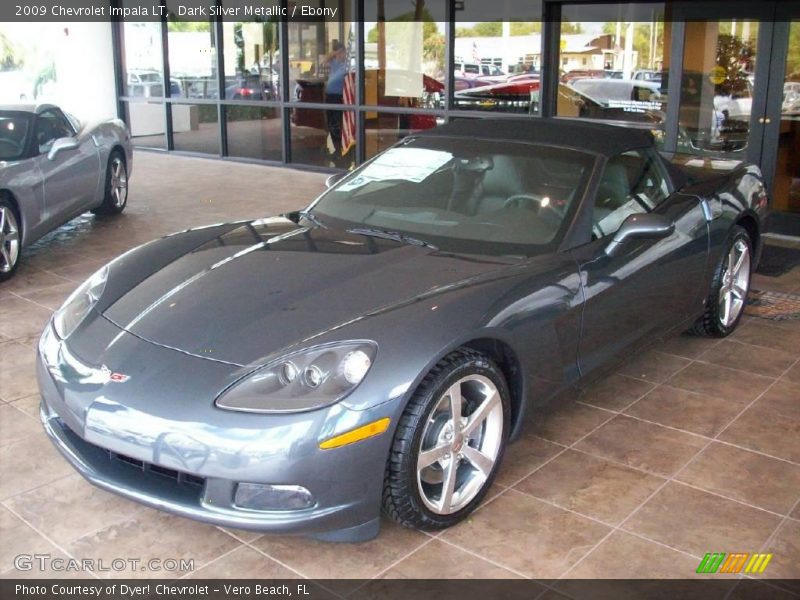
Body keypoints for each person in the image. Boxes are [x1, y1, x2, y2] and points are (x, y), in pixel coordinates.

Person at [323, 41, 347, 158]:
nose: (342, 55)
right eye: (341, 53)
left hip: (338, 96)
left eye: (343, 53)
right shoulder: (334, 62)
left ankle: (338, 143)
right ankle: (333, 141)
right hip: (329, 95)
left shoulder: (345, 65)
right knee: (330, 118)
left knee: (337, 119)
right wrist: (335, 53)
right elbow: (324, 61)